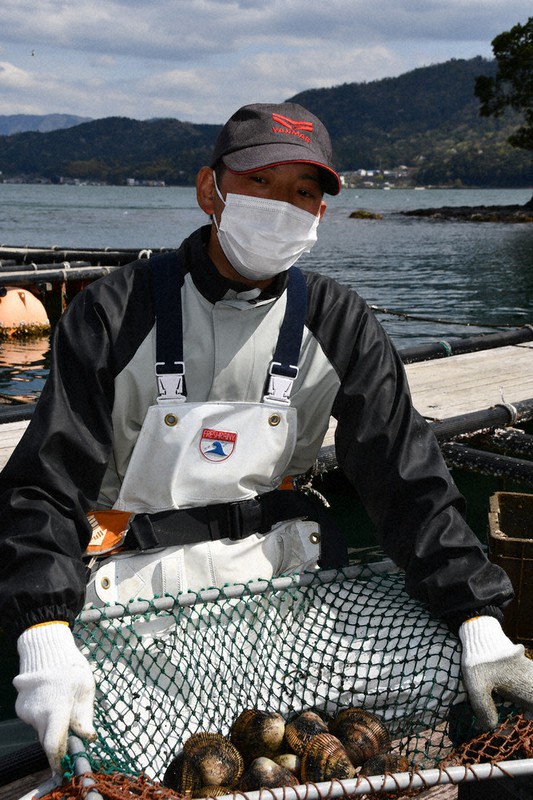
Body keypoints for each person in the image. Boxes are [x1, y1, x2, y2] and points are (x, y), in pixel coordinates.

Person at [0, 101, 532, 776]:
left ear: (320, 213)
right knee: (143, 761)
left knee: (444, 678)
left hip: (282, 590)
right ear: (210, 189)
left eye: (303, 193)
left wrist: (476, 616)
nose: (282, 206)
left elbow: (408, 479)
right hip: (131, 600)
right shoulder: (113, 310)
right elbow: (43, 487)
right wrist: (44, 631)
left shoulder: (339, 319)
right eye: (259, 182)